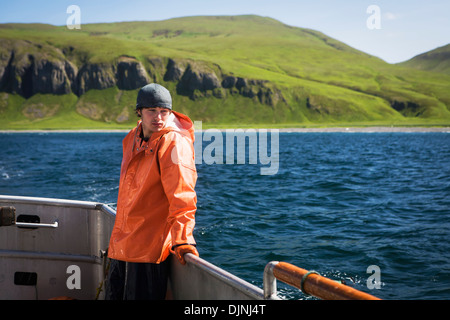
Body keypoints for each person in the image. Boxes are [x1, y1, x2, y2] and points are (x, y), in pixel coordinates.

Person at [105, 83, 199, 300]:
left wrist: (183, 239)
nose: (159, 117)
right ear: (139, 111)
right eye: (152, 111)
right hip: (122, 244)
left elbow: (182, 194)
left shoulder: (174, 143)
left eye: (164, 112)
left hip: (149, 251)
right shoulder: (132, 137)